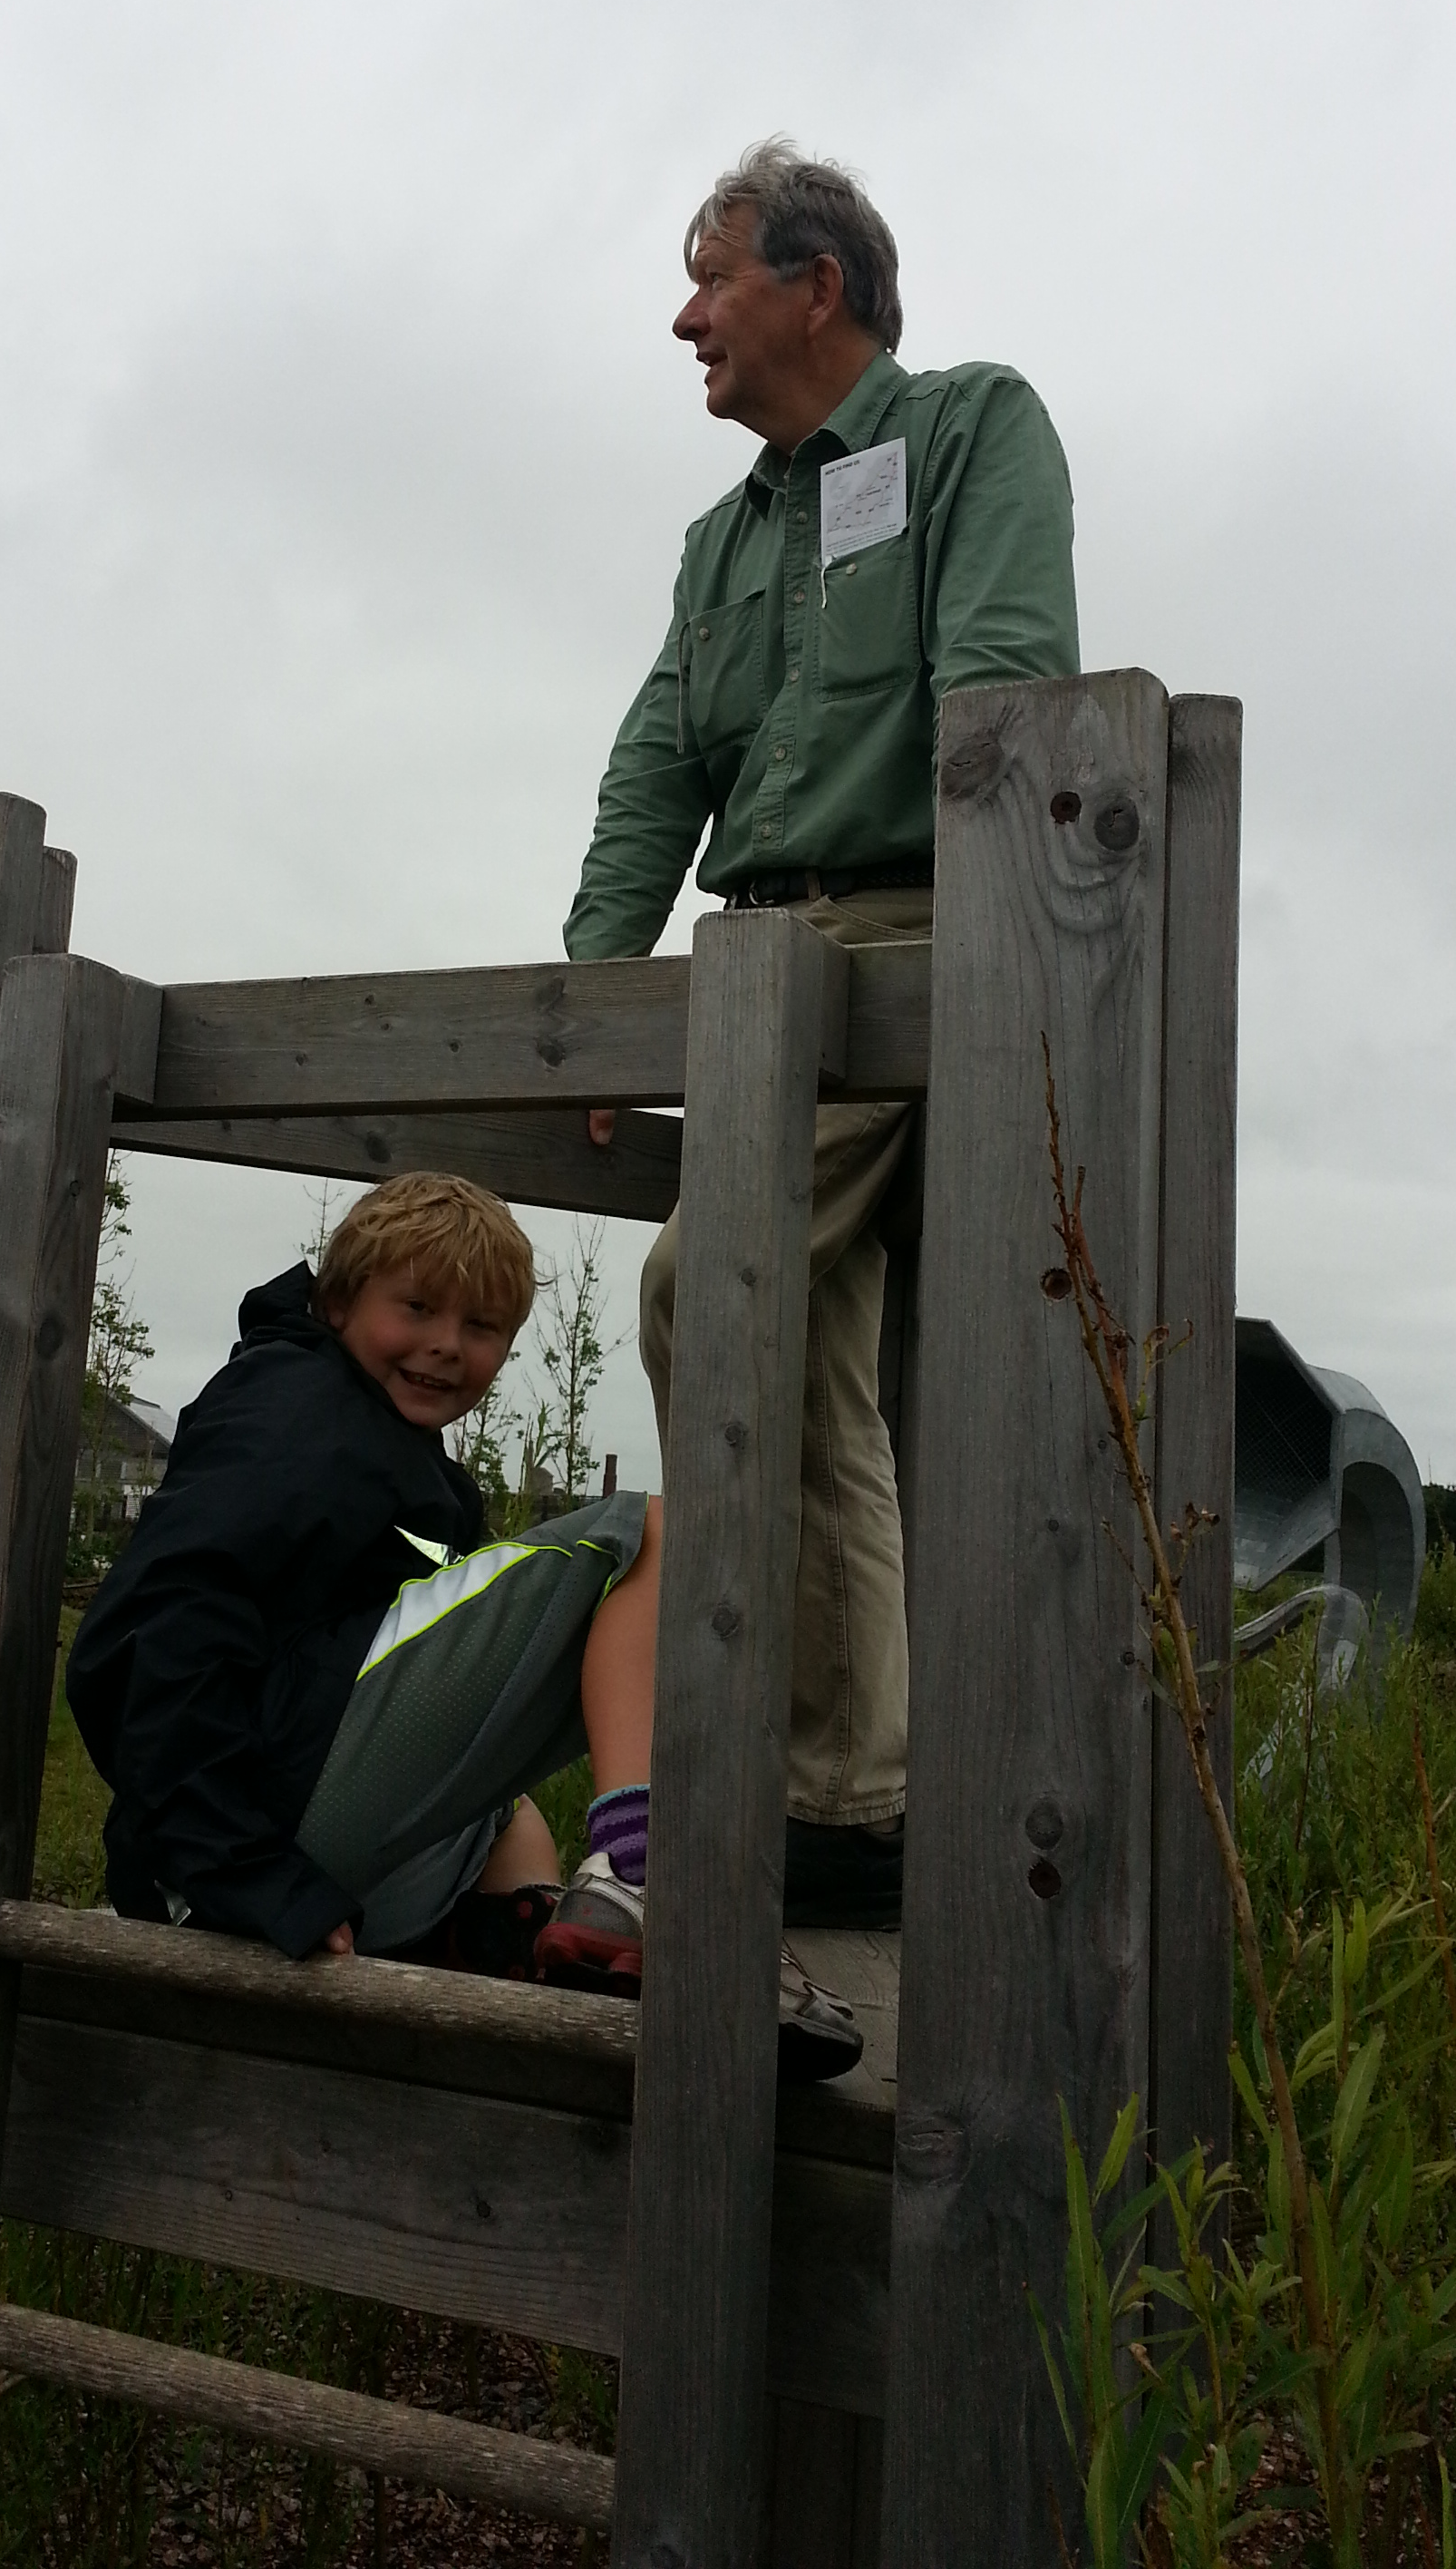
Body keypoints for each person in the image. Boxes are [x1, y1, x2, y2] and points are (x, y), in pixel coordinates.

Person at [565, 141, 1081, 1931]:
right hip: (750, 965)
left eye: (711, 277)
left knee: (709, 1290)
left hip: (910, 935)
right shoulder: (718, 541)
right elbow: (657, 766)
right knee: (805, 1346)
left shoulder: (965, 430)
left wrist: (993, 971)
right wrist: (595, 997)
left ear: (819, 287)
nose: (684, 317)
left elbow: (1003, 687)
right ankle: (853, 1779)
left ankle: (835, 1783)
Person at [65, 1171, 861, 2075]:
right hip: (224, 1852)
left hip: (282, 1839)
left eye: (481, 1327)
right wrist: (244, 1871)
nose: (446, 1345)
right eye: (416, 1308)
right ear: (337, 1303)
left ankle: (523, 1949)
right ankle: (640, 1877)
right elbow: (145, 1644)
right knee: (650, 1535)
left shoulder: (396, 1458)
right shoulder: (293, 1413)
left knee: (507, 1815)